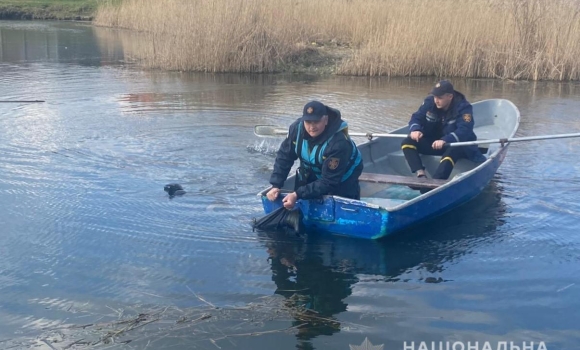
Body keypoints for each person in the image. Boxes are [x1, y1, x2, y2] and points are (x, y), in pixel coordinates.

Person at [266, 100, 363, 209]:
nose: (312, 127)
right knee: (303, 198)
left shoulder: (338, 143)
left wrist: (297, 194)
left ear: (325, 120)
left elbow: (329, 181)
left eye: (316, 122)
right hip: (313, 168)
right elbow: (284, 157)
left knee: (339, 201)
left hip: (343, 174)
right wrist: (276, 185)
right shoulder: (295, 130)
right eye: (308, 122)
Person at [401, 80, 486, 182]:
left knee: (452, 150)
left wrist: (445, 140)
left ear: (450, 97)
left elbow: (465, 130)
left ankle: (436, 182)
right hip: (435, 143)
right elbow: (416, 117)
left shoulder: (464, 107)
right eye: (435, 97)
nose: (436, 100)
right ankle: (421, 175)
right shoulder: (429, 102)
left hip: (457, 145)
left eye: (440, 98)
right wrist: (415, 129)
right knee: (408, 141)